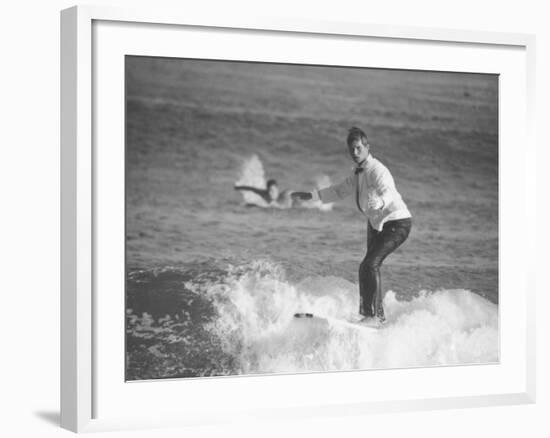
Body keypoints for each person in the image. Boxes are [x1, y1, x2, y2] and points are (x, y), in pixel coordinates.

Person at [291, 127, 412, 325]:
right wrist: (312, 196)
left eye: (358, 148)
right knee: (368, 267)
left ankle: (372, 316)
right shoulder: (357, 173)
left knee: (369, 265)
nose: (354, 153)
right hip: (376, 223)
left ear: (367, 147)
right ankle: (375, 316)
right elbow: (339, 191)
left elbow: (388, 190)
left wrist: (381, 202)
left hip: (397, 222)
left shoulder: (377, 170)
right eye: (351, 150)